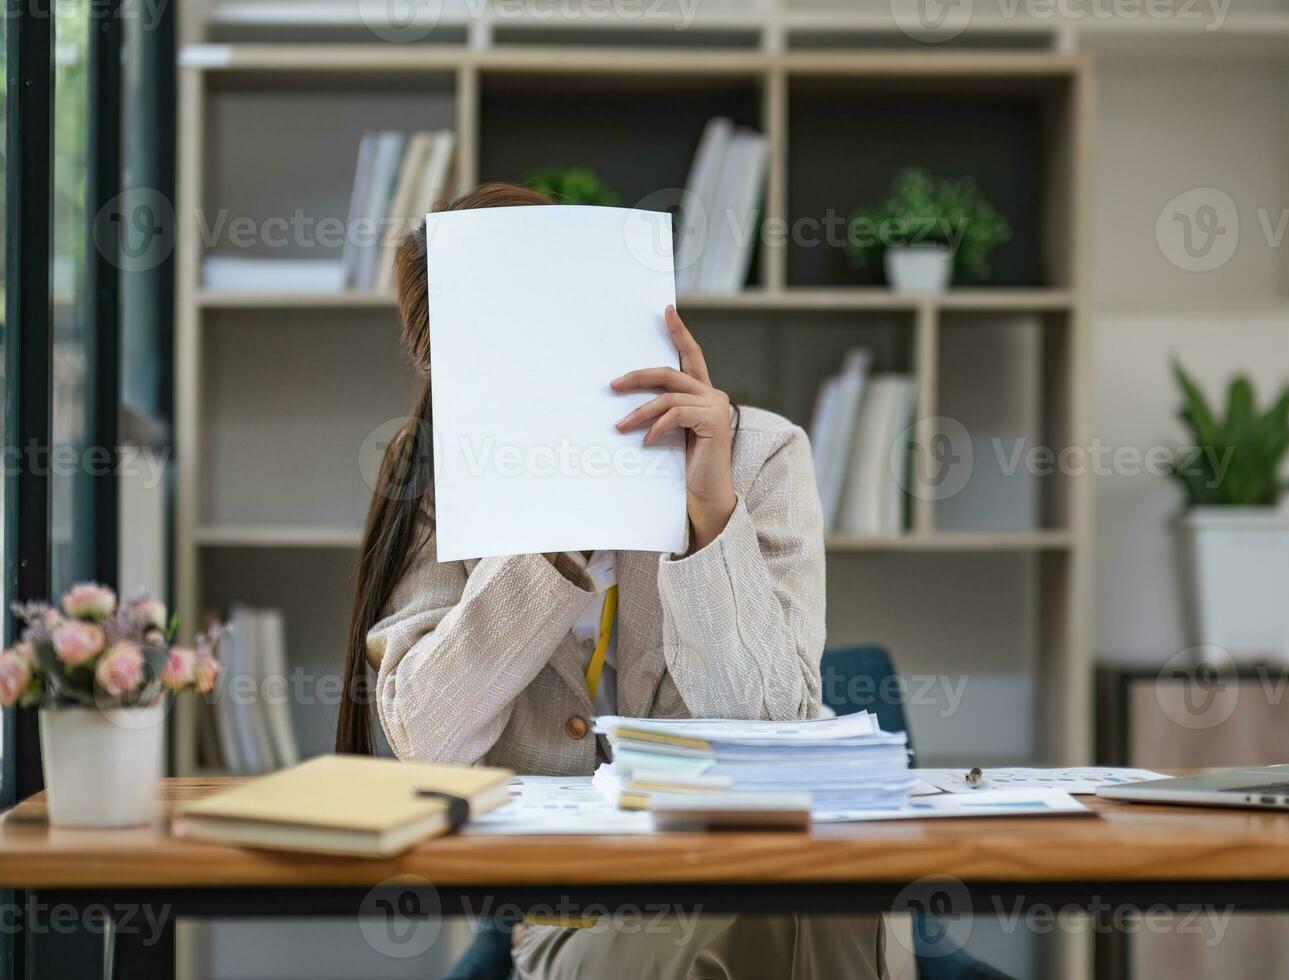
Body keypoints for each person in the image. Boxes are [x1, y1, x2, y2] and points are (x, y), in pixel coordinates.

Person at [335, 182, 914, 980]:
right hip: (579, 919)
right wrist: (551, 545)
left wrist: (709, 514)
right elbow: (428, 740)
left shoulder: (762, 457)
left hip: (759, 875)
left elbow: (772, 728)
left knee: (822, 893)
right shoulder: (436, 487)